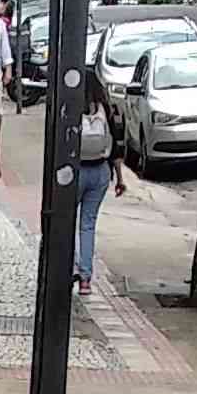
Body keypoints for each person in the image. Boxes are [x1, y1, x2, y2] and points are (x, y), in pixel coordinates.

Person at [71, 48, 126, 291]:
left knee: (69, 221)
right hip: (100, 171)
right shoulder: (105, 108)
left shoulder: (71, 108)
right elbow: (116, 146)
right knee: (88, 224)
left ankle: (71, 267)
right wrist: (120, 178)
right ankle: (86, 278)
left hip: (75, 171)